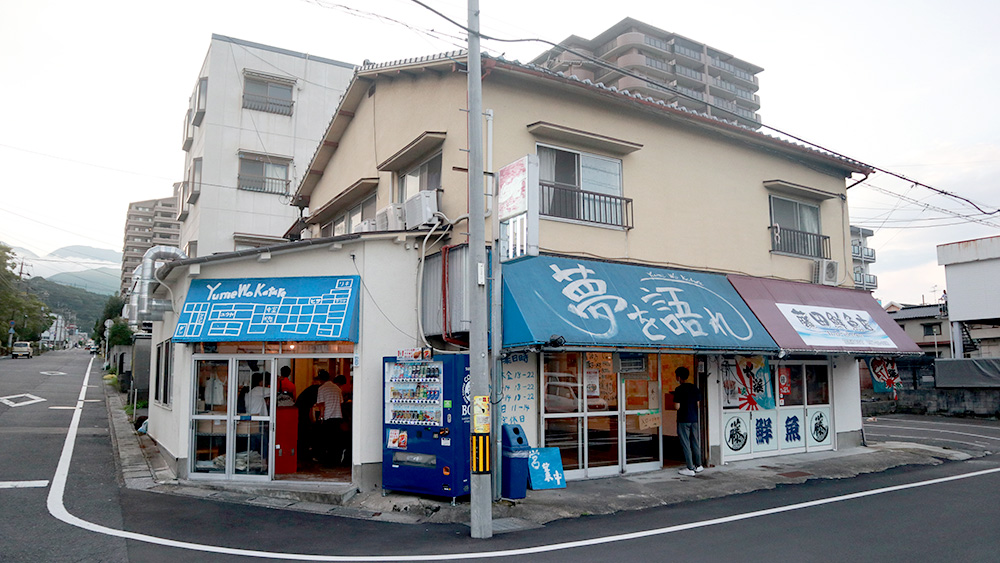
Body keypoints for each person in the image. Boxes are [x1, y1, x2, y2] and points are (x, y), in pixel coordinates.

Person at [672, 366, 704, 476]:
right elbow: (698, 404)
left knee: (686, 443)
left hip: (683, 419)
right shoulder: (695, 388)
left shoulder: (679, 390)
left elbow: (677, 406)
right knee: (695, 441)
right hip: (694, 419)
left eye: (676, 376)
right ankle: (698, 465)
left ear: (679, 377)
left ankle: (690, 468)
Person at [314, 370, 345, 465]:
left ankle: (327, 461)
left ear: (320, 379)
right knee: (335, 440)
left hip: (327, 417)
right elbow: (341, 402)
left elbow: (322, 405)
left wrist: (321, 417)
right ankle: (335, 460)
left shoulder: (322, 389)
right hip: (338, 416)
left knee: (326, 440)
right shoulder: (337, 388)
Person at [295, 375, 322, 463]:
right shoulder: (317, 390)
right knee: (306, 432)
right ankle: (305, 454)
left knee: (303, 433)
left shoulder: (310, 390)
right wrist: (314, 419)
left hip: (300, 412)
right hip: (303, 413)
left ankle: (303, 453)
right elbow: (313, 407)